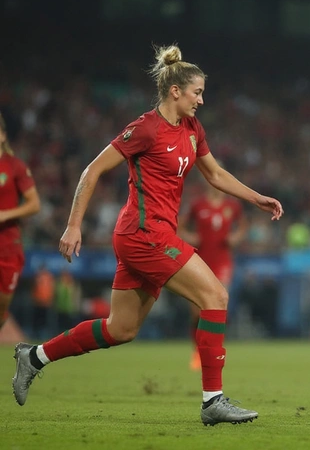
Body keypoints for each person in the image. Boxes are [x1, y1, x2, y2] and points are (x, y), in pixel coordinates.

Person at [11, 45, 284, 427]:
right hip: (143, 234)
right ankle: (213, 401)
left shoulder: (192, 129)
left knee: (120, 329)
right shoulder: (144, 129)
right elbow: (92, 171)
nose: (201, 100)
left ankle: (34, 357)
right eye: (197, 92)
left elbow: (216, 174)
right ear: (175, 91)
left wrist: (256, 198)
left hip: (151, 234)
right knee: (215, 295)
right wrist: (73, 225)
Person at [179, 180, 248, 371]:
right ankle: (197, 351)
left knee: (219, 302)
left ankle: (214, 353)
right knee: (197, 311)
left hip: (223, 261)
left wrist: (235, 237)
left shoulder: (232, 206)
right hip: (199, 259)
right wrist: (189, 236)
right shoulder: (197, 204)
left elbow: (243, 227)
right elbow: (179, 226)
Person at [0, 112, 41, 330]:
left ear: (3, 136)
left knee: (2, 306)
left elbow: (34, 204)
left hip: (8, 245)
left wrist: (5, 214)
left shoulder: (14, 166)